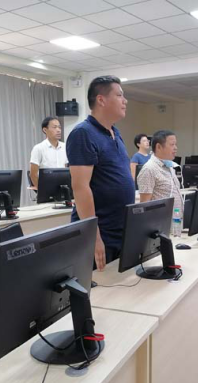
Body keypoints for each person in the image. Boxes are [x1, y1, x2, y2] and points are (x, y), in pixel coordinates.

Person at [66, 76, 135, 272]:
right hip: (100, 232)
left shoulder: (115, 133)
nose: (125, 101)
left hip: (119, 229)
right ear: (101, 100)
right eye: (119, 95)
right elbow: (80, 188)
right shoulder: (83, 133)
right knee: (99, 287)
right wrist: (94, 237)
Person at [137, 130, 183, 213]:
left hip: (175, 219)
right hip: (160, 220)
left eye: (175, 144)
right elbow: (144, 206)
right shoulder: (149, 169)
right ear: (158, 147)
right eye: (172, 144)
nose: (175, 148)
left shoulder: (169, 167)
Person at [30, 116, 68, 188]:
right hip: (46, 187)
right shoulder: (38, 148)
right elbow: (33, 174)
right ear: (45, 130)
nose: (58, 130)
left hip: (62, 187)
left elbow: (66, 168)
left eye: (59, 127)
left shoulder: (65, 147)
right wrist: (41, 190)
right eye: (54, 127)